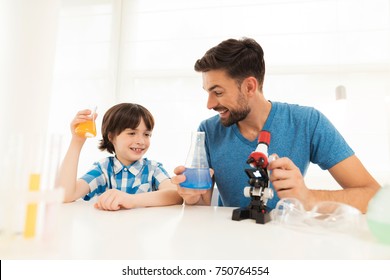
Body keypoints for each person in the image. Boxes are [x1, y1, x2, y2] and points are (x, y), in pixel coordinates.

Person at [171, 37, 380, 213]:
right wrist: (190, 197)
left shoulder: (307, 122)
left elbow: (373, 197)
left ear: (249, 86)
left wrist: (308, 198)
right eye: (207, 93)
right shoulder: (208, 131)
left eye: (217, 92)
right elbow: (201, 207)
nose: (209, 105)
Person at [57, 103, 183, 211]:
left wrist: (131, 200)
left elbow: (176, 195)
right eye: (132, 133)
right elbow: (65, 195)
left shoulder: (153, 169)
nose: (141, 141)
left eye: (146, 134)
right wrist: (77, 141)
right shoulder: (103, 170)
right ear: (111, 137)